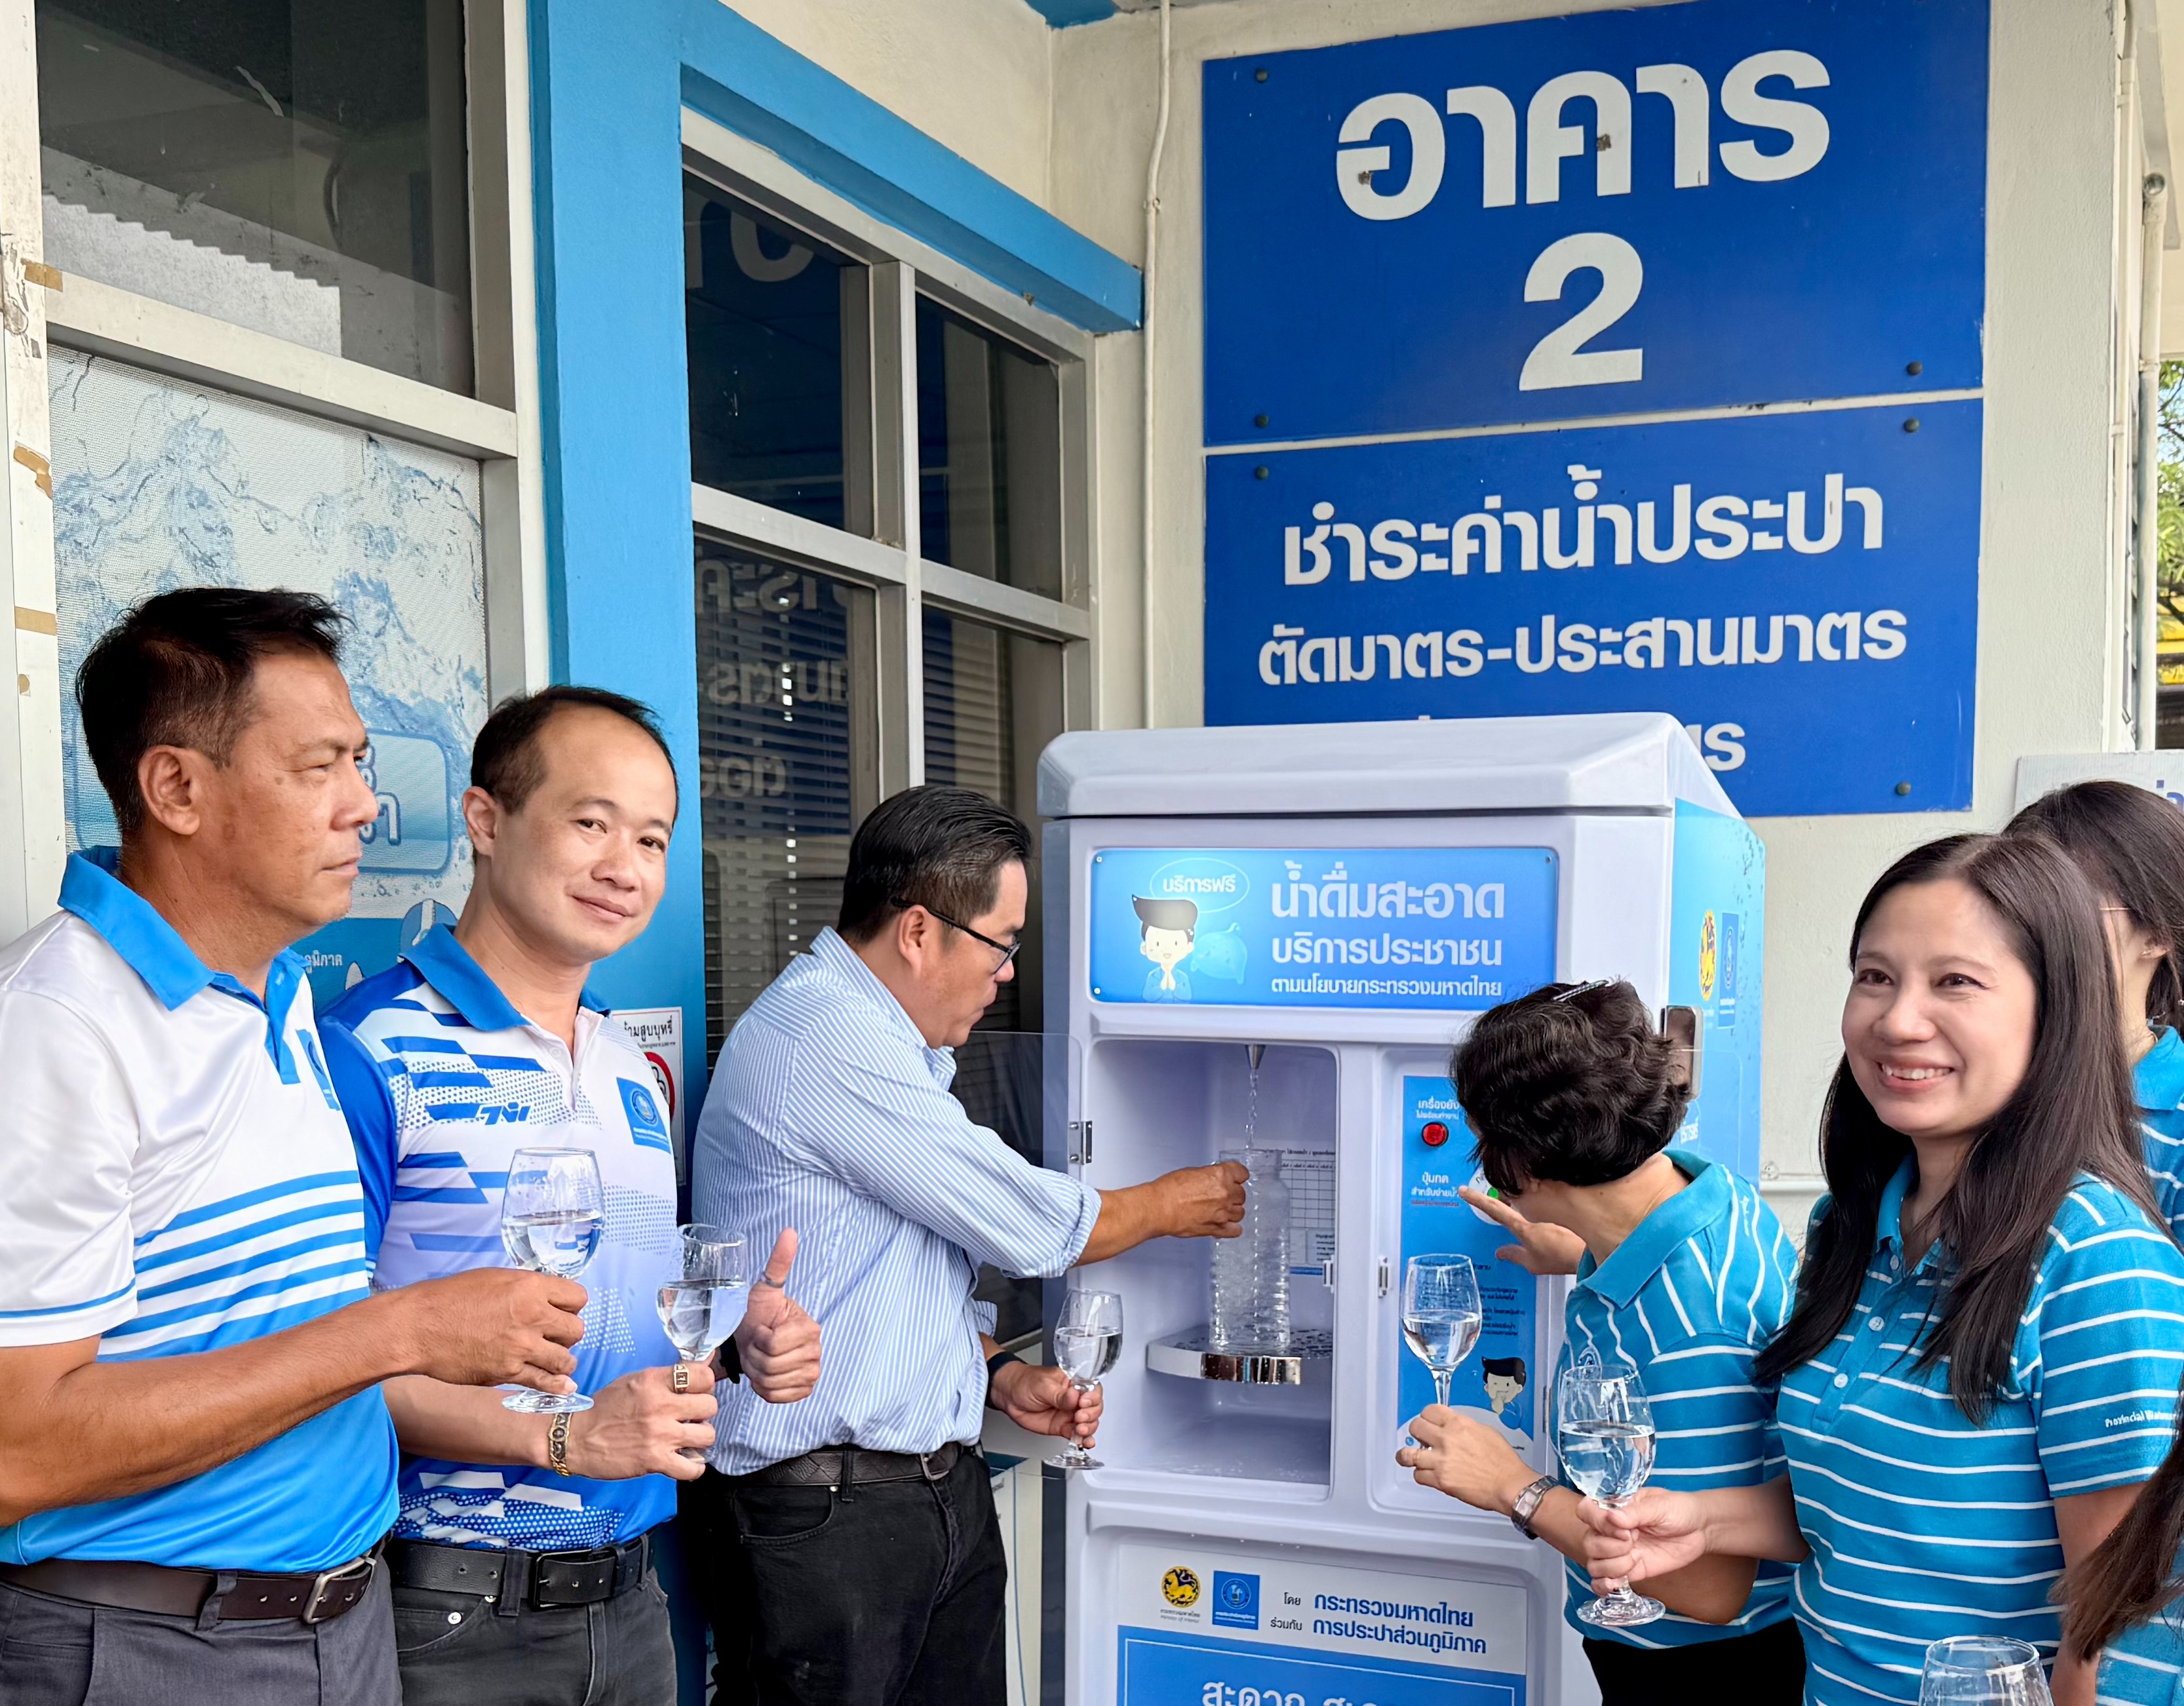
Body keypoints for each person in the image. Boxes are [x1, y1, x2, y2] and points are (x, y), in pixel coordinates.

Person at [0, 589, 589, 1705]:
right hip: (146, 1645)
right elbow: (16, 1449)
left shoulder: (277, 995)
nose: (364, 806)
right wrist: (400, 1328)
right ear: (177, 787)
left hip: (338, 1625)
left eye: (360, 763)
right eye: (320, 767)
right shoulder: (53, 1024)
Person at [1577, 833, 2184, 1706]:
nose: (1899, 1019)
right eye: (1875, 975)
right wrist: (1706, 1517)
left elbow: (2127, 1619)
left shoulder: (2095, 1257)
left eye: (1956, 981)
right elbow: (1866, 1503)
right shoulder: (1850, 1224)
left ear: (2058, 1012)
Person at [684, 785, 1249, 1706]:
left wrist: (990, 1371)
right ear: (917, 931)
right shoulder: (824, 1036)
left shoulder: (881, 1042)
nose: (1006, 974)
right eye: (1001, 944)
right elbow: (1030, 1223)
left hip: (924, 1496)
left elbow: (880, 1274)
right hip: (829, 1518)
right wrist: (1172, 1202)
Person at [318, 686, 822, 1705]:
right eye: (590, 822)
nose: (623, 867)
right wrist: (565, 1436)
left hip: (634, 1606)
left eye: (651, 837)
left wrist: (735, 1338)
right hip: (445, 1611)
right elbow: (308, 1367)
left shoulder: (633, 1069)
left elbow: (618, 1318)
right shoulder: (364, 1049)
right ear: (486, 819)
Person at [1396, 978, 1803, 1706]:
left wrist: (1512, 1488)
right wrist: (1582, 1243)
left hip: (1703, 1669)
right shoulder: (1708, 1192)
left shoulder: (1691, 1319)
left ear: (1520, 1164)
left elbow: (1710, 1587)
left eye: (1481, 1138)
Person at [2007, 780, 2184, 1239]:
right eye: (2010, 909)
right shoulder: (1986, 1085)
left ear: (2158, 933)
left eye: (2069, 906)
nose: (2032, 932)